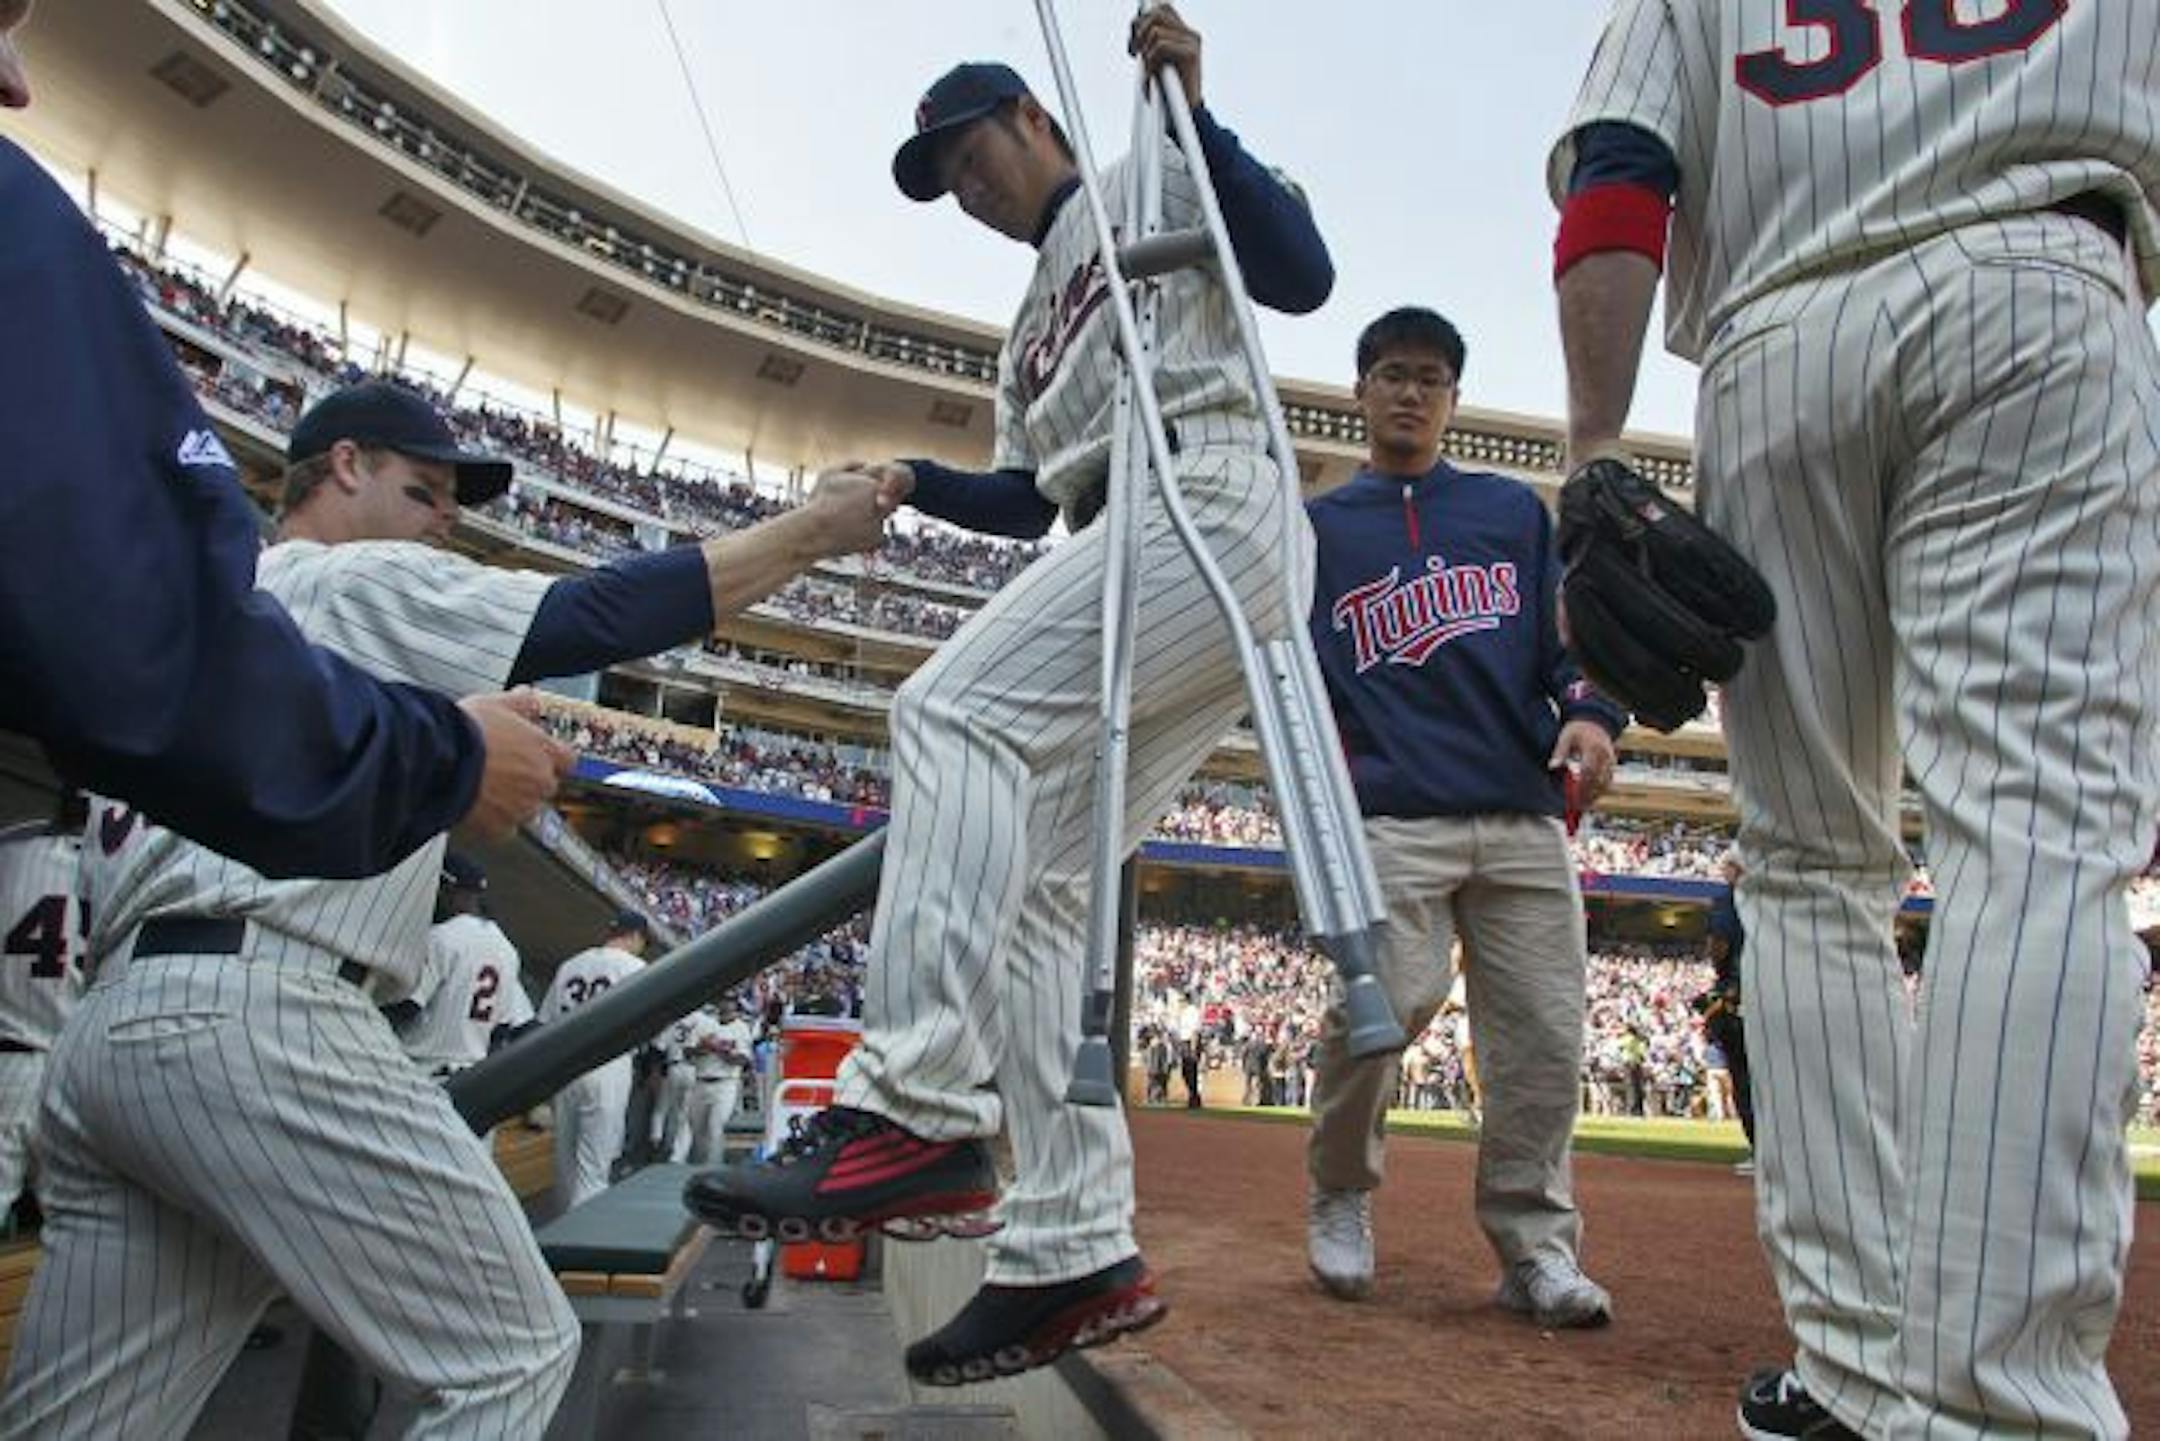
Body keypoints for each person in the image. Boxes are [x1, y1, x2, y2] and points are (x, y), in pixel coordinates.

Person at [1, 382, 892, 1437]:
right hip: (259, 1011)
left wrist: (443, 765)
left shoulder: (198, 618)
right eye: (423, 489)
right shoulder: (342, 578)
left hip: (114, 1034)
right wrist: (813, 532)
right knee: (510, 1352)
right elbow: (595, 616)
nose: (445, 520)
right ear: (343, 466)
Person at [687, 5, 1331, 1385]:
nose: (965, 188)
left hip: (1210, 486)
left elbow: (1302, 271)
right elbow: (1033, 495)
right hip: (1117, 527)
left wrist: (1193, 110)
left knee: (948, 714)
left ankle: (909, 1100)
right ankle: (1073, 1248)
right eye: (943, 179)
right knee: (1042, 888)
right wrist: (917, 486)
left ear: (1034, 119)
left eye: (969, 152)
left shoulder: (1147, 164)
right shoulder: (1022, 327)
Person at [1553, 6, 2160, 1435]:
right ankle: (2001, 1403)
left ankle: (1858, 1368)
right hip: (2041, 280)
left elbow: (1620, 173)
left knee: (1811, 871)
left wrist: (1591, 456)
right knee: (2033, 841)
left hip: (1776, 348)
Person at [0, 0, 565, 879]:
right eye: (424, 490)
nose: (18, 82)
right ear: (344, 467)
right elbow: (142, 647)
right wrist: (447, 757)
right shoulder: (17, 219)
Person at [1301, 307, 1622, 1329]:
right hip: (1394, 816)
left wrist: (1593, 718)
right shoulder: (1316, 529)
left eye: (1430, 378)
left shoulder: (1511, 513)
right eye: (1392, 374)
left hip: (1522, 813)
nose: (1410, 392)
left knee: (1542, 1039)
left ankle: (1534, 1248)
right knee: (1379, 1004)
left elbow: (1572, 648)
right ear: (1359, 391)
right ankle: (1342, 1189)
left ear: (1453, 399)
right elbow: (1297, 683)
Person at [0, 791, 87, 1221]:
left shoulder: (11, 848)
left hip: (8, 1066)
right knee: (77, 1237)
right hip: (74, 1083)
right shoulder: (116, 875)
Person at [541, 911, 653, 1208]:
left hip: (564, 1065)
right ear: (635, 936)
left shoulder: (571, 965)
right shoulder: (636, 967)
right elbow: (650, 1029)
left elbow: (545, 1022)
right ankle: (582, 1240)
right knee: (593, 1169)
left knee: (565, 1166)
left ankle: (561, 1236)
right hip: (608, 1064)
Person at [393, 852, 535, 1079]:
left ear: (447, 890)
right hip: (468, 1080)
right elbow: (501, 1031)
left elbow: (406, 1007)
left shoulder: (441, 937)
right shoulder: (508, 952)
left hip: (418, 1072)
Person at [1696, 849, 1753, 1159]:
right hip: (1772, 990)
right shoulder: (1771, 901)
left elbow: (1718, 944)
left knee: (1744, 1076)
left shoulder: (1729, 901)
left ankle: (1761, 1148)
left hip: (1737, 996)